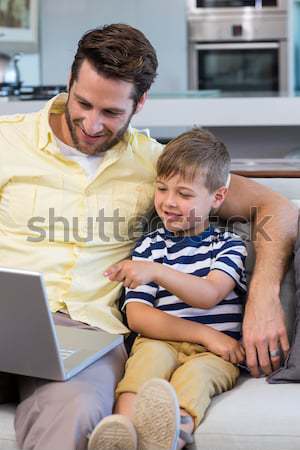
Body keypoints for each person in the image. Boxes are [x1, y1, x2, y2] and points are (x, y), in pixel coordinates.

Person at [0, 21, 297, 450]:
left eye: (111, 113)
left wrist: (264, 297)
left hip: (84, 332)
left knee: (79, 411)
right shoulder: (8, 141)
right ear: (69, 81)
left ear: (140, 104)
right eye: (81, 103)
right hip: (6, 314)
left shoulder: (158, 168)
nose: (90, 123)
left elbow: (278, 209)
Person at [88, 128, 248, 450]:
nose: (169, 202)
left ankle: (173, 435)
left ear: (217, 197)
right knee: (144, 365)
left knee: (196, 379)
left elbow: (209, 294)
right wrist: (202, 333)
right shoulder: (150, 246)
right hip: (162, 341)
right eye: (162, 189)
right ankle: (123, 434)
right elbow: (137, 316)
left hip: (214, 353)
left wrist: (157, 273)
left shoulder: (229, 245)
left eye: (185, 194)